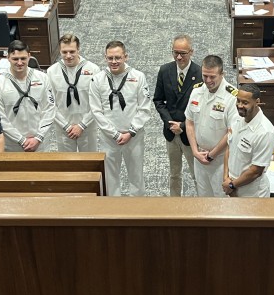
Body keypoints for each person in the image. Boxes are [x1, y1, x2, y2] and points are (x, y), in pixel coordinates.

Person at [88, 40, 152, 196]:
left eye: (118, 57)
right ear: (105, 58)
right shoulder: (97, 80)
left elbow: (144, 109)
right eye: (110, 58)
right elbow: (96, 111)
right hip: (109, 138)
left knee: (136, 175)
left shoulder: (138, 77)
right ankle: (114, 210)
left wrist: (131, 132)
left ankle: (137, 210)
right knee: (110, 177)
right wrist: (114, 134)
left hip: (133, 137)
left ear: (126, 57)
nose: (114, 62)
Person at [153, 34, 202, 197]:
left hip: (190, 134)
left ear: (191, 52)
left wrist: (182, 126)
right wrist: (169, 122)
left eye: (183, 53)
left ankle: (203, 203)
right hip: (171, 132)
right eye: (175, 53)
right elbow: (158, 100)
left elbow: (201, 107)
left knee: (197, 174)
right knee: (174, 174)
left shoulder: (200, 73)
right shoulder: (165, 70)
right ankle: (174, 204)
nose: (179, 57)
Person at [185, 54, 238, 197]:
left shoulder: (232, 97)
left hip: (220, 160)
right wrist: (195, 151)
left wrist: (211, 155)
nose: (208, 81)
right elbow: (189, 122)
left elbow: (231, 132)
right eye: (205, 76)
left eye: (212, 77)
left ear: (222, 74)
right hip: (199, 157)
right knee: (203, 197)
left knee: (221, 200)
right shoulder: (197, 91)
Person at [0, 40, 55, 153]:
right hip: (13, 145)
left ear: (29, 57)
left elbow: (50, 108)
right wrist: (21, 140)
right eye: (15, 59)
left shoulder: (43, 78)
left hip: (40, 142)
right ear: (8, 57)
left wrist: (39, 137)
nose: (19, 63)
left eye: (23, 58)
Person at [48, 33, 100, 153]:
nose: (68, 56)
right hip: (63, 127)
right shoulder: (52, 72)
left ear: (78, 50)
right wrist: (66, 126)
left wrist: (82, 125)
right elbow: (50, 103)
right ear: (59, 51)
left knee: (89, 164)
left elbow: (97, 102)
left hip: (87, 126)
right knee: (67, 166)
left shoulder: (93, 70)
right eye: (64, 52)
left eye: (72, 51)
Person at [222, 84, 274, 198]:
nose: (240, 106)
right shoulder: (237, 118)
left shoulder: (266, 132)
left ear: (257, 102)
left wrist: (232, 185)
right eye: (238, 101)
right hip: (231, 186)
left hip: (252, 193)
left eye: (245, 103)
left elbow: (256, 171)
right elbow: (229, 148)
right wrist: (226, 178)